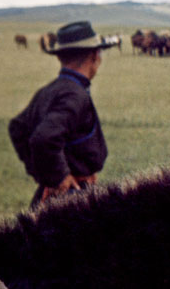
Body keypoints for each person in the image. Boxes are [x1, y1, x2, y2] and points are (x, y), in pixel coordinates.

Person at [9, 20, 114, 208]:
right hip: (72, 201)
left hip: (57, 196)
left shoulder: (49, 90)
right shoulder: (75, 94)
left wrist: (44, 175)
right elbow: (44, 137)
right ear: (94, 56)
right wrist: (59, 178)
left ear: (60, 57)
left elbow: (18, 128)